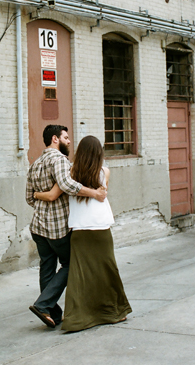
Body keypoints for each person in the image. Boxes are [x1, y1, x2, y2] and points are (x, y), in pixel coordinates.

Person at [33, 135, 132, 332]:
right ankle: (113, 312)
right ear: (98, 153)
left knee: (81, 276)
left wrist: (35, 194)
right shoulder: (105, 172)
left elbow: (53, 195)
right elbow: (102, 194)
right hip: (101, 229)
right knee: (107, 271)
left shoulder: (70, 174)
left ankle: (78, 318)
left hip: (79, 230)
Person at [25, 124, 107, 328]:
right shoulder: (59, 160)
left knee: (47, 269)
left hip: (37, 227)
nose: (69, 142)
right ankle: (43, 304)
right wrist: (95, 193)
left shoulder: (34, 164)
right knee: (72, 264)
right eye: (66, 138)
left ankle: (51, 313)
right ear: (55, 139)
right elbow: (68, 185)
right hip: (57, 227)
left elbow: (29, 198)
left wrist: (41, 197)